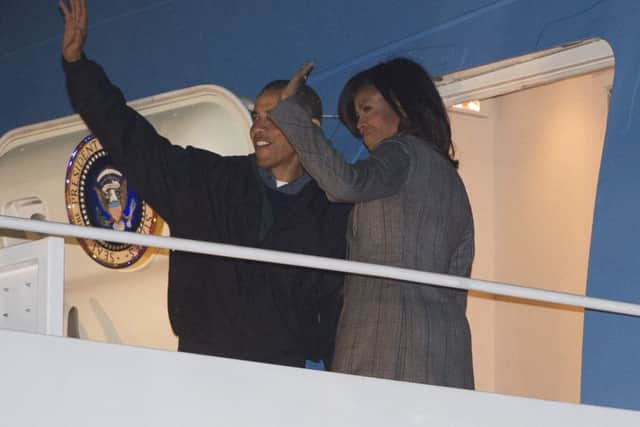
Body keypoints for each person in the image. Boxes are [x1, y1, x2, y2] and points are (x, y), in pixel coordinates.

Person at [59, 0, 351, 369]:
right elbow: (132, 140)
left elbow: (339, 313)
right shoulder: (209, 182)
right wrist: (77, 66)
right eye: (255, 117)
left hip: (282, 383)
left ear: (310, 130)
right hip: (200, 371)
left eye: (273, 118)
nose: (257, 128)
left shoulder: (334, 214)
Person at [269, 58, 475, 387]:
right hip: (445, 358)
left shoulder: (399, 151)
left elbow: (345, 183)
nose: (360, 123)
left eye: (367, 109)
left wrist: (291, 112)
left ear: (402, 105)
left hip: (383, 348)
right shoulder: (452, 182)